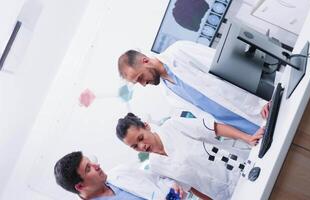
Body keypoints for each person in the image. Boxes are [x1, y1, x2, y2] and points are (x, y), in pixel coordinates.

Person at [117, 40, 270, 136]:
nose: (144, 84)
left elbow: (230, 68)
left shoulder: (179, 51)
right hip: (253, 131)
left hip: (262, 106)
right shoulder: (169, 94)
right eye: (139, 83)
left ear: (145, 61)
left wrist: (263, 99)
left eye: (140, 78)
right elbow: (209, 120)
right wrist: (247, 137)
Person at [116, 112, 264, 200]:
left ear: (146, 126)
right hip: (226, 196)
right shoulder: (156, 166)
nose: (142, 146)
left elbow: (215, 128)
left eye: (140, 138)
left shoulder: (173, 126)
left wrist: (247, 138)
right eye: (135, 146)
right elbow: (192, 188)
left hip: (241, 168)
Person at [54, 151, 186, 200]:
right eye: (89, 169)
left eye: (91, 162)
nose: (97, 166)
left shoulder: (120, 172)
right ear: (80, 186)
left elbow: (157, 179)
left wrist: (171, 185)